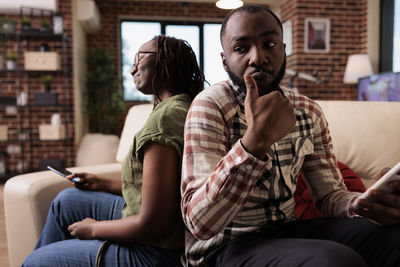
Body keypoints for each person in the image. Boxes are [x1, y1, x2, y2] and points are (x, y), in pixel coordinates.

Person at [180, 5, 400, 267]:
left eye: (269, 43)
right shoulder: (210, 106)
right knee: (337, 261)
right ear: (224, 59)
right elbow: (200, 224)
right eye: (241, 48)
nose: (257, 58)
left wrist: (363, 204)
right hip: (223, 246)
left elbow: (331, 197)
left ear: (283, 50)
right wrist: (254, 143)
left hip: (287, 231)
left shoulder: (307, 110)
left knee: (394, 238)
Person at [23, 35, 205, 267]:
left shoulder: (165, 121)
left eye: (140, 58)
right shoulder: (181, 106)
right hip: (164, 236)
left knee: (34, 261)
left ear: (166, 61)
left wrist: (93, 229)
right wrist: (102, 183)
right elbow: (163, 192)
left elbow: (151, 224)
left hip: (152, 253)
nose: (132, 70)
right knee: (66, 201)